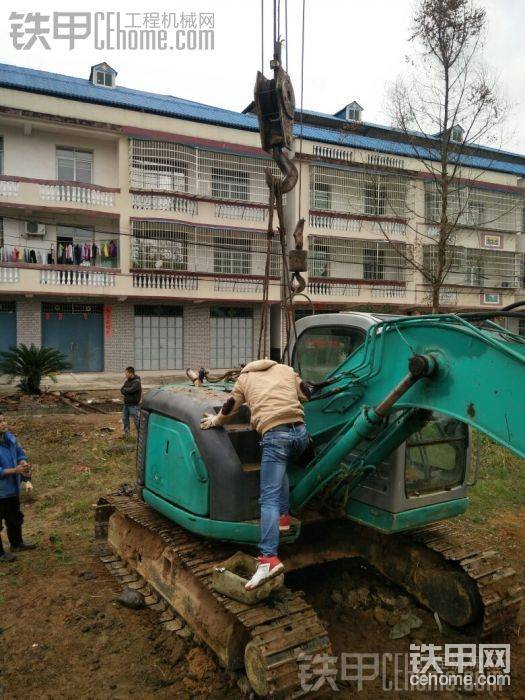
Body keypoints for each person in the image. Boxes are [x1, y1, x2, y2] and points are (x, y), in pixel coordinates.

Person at [200, 359, 310, 590]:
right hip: (300, 435)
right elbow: (306, 394)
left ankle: (268, 558)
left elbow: (229, 408)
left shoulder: (245, 378)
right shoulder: (286, 369)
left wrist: (214, 421)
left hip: (276, 435)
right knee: (281, 469)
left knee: (267, 498)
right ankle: (283, 518)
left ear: (246, 368)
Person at [0, 412, 36, 563]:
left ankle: (16, 544)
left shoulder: (10, 438)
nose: (3, 423)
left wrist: (22, 462)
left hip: (11, 489)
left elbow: (20, 453)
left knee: (14, 518)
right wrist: (14, 471)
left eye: (3, 420)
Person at [120, 366, 142, 436]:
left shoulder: (137, 382)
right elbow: (122, 390)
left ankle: (140, 435)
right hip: (126, 404)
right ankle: (127, 435)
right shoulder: (127, 381)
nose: (125, 375)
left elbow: (131, 390)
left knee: (136, 420)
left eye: (126, 373)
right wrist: (126, 390)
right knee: (125, 419)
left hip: (133, 405)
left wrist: (126, 390)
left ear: (130, 373)